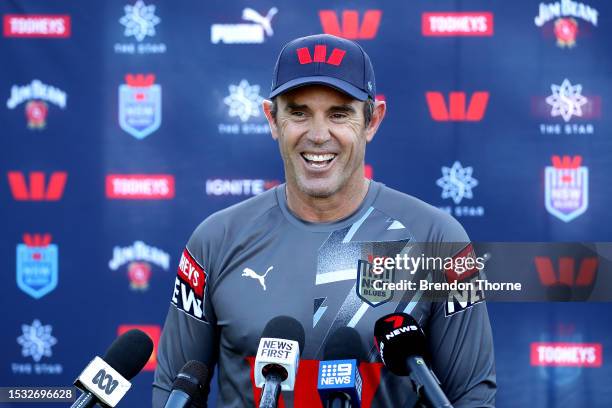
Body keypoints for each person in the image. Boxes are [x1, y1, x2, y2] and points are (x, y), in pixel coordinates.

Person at [153, 33, 496, 407]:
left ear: (372, 120)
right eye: (299, 112)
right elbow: (174, 389)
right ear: (272, 119)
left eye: (339, 113)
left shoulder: (439, 240)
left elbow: (471, 397)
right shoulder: (214, 242)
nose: (318, 135)